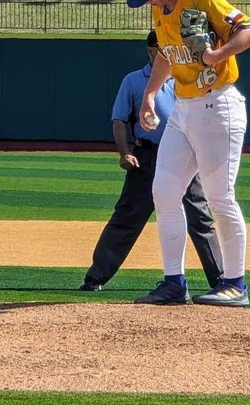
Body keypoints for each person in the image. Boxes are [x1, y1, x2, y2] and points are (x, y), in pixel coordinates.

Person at [124, 0, 250, 307]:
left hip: (218, 106)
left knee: (219, 197)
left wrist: (219, 54)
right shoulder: (160, 8)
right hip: (184, 109)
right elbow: (167, 55)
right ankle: (174, 282)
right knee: (164, 192)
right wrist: (150, 95)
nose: (148, 0)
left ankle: (236, 284)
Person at [79, 30, 224, 293]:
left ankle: (221, 280)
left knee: (200, 217)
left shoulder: (186, 78)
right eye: (163, 47)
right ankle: (96, 276)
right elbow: (120, 120)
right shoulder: (134, 81)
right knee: (128, 216)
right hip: (148, 156)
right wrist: (125, 153)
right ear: (150, 50)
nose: (170, 52)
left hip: (185, 155)